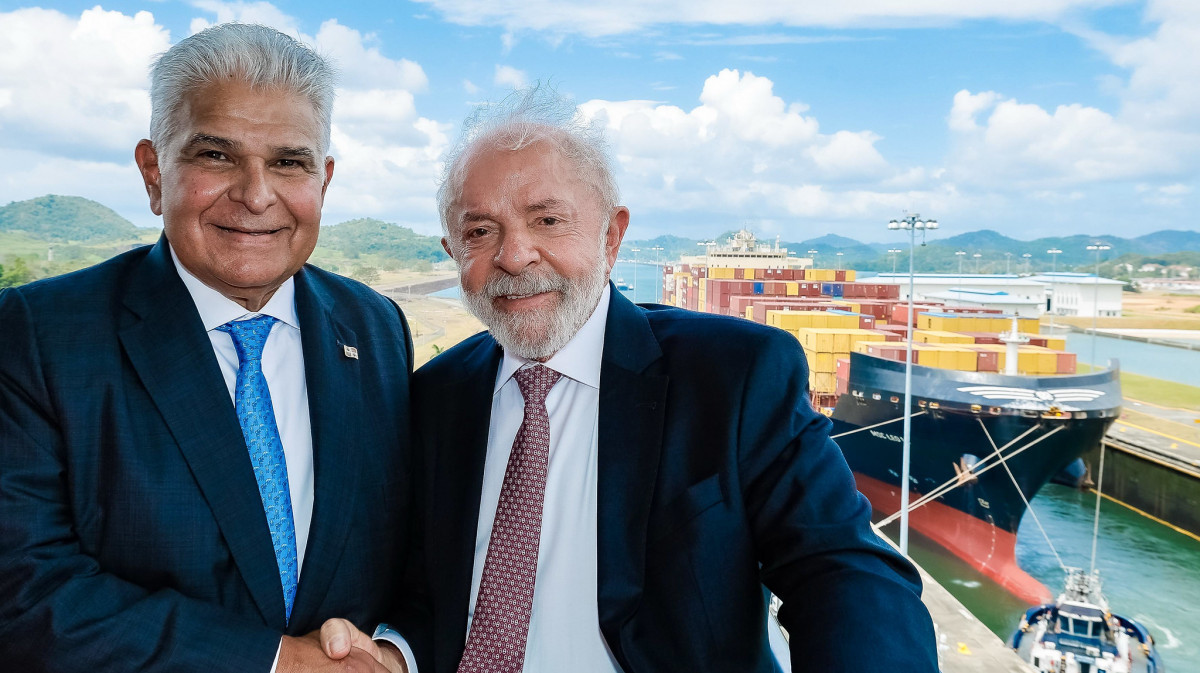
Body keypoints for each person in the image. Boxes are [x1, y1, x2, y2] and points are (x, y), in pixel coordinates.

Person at [322, 87, 938, 672]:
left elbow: (840, 568)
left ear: (612, 235)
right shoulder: (436, 396)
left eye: (547, 221)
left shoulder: (734, 376)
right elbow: (427, 591)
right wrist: (395, 654)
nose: (514, 256)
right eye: (480, 232)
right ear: (453, 250)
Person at [0, 24, 415, 672]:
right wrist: (278, 662)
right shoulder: (36, 335)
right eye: (216, 156)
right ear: (153, 171)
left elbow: (419, 546)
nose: (255, 194)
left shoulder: (377, 327)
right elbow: (24, 590)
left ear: (324, 180)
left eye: (288, 161)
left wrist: (391, 650)